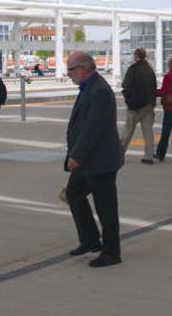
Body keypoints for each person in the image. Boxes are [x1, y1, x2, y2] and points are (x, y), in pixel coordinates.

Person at [63, 50, 123, 268]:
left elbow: (93, 129)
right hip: (88, 160)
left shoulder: (99, 91)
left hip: (100, 161)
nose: (68, 74)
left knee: (106, 207)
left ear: (81, 69)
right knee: (73, 195)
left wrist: (76, 155)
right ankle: (89, 240)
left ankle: (111, 252)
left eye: (70, 70)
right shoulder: (89, 87)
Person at [120, 47, 158, 165]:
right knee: (148, 132)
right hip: (148, 106)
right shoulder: (150, 70)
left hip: (134, 107)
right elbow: (154, 87)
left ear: (136, 56)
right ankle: (148, 156)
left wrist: (129, 101)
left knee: (127, 131)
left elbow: (126, 86)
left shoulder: (133, 69)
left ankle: (119, 155)